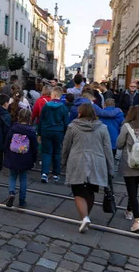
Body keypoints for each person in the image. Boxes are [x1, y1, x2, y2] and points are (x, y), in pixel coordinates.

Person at [62, 103, 114, 233]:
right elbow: (108, 149)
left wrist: (63, 161)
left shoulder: (72, 127)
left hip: (77, 161)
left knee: (78, 192)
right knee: (90, 191)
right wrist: (110, 168)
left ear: (80, 113)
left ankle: (84, 217)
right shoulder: (102, 128)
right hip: (97, 163)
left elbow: (66, 146)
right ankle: (85, 218)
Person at [4, 109, 38, 208]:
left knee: (12, 176)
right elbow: (34, 147)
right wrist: (34, 158)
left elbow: (7, 142)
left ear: (19, 117)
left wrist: (5, 153)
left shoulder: (13, 128)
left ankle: (11, 193)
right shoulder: (31, 131)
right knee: (23, 178)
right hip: (25, 157)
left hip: (13, 156)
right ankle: (22, 201)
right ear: (29, 118)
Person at [38, 86, 69, 183]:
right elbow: (66, 123)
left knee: (46, 152)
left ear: (54, 95)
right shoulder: (64, 107)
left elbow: (41, 120)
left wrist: (39, 133)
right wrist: (64, 134)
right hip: (58, 132)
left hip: (46, 131)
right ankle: (56, 174)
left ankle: (44, 173)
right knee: (57, 152)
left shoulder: (46, 106)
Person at [116, 105, 139, 231]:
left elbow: (119, 144)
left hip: (130, 163)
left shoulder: (126, 127)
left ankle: (137, 219)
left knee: (132, 191)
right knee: (135, 190)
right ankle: (129, 210)